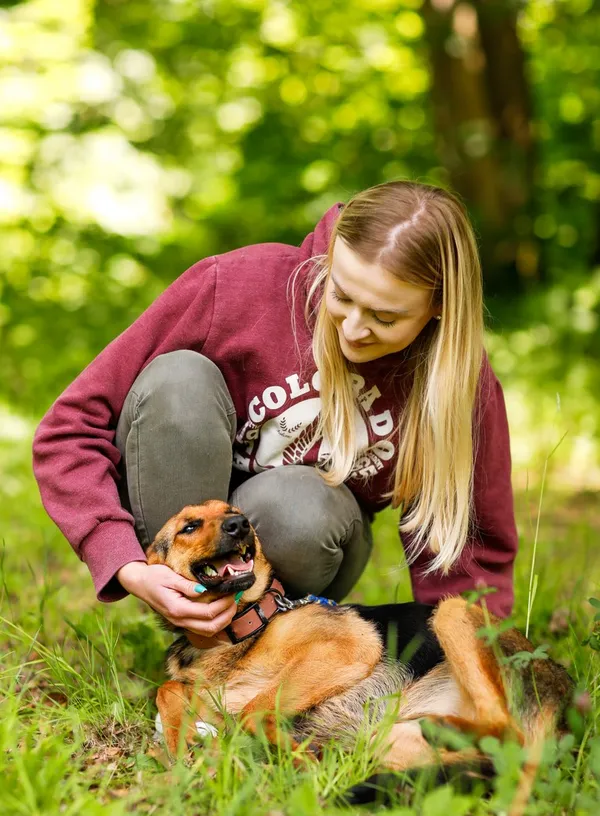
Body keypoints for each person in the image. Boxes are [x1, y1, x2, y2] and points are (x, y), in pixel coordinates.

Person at [33, 180, 517, 644]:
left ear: (439, 308)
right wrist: (126, 564)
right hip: (177, 530)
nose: (352, 328)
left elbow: (473, 548)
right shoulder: (237, 285)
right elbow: (69, 429)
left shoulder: (455, 383)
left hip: (305, 544)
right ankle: (188, 616)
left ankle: (261, 640)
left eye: (385, 317)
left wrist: (470, 649)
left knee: (301, 503)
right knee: (177, 381)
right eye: (341, 294)